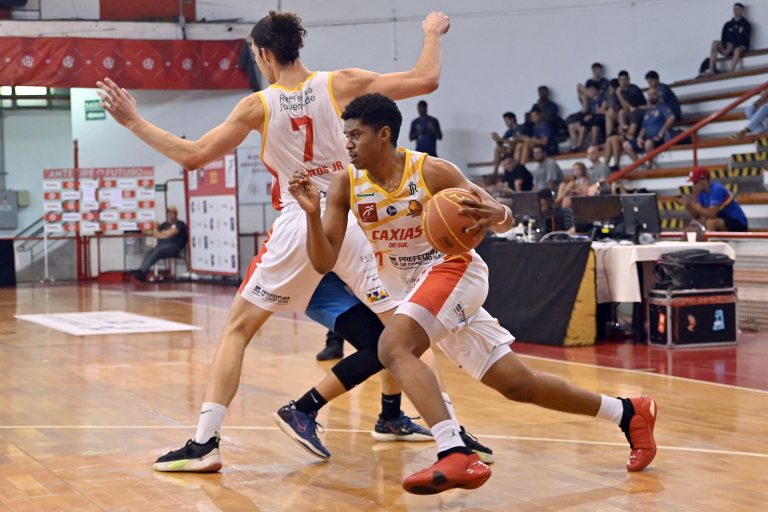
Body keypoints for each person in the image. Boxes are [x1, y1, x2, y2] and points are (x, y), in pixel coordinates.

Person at [97, 10, 453, 472]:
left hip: (301, 222)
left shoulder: (258, 106)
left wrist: (132, 121)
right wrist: (431, 32)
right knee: (404, 332)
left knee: (238, 329)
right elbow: (426, 79)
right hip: (354, 220)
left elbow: (192, 156)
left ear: (265, 54)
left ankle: (204, 443)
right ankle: (450, 435)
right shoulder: (340, 83)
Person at [289, 93, 658, 495]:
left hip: (455, 270)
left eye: (355, 135)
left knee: (392, 346)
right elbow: (323, 261)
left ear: (383, 135)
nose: (347, 144)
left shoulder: (431, 171)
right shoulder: (346, 185)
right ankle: (628, 412)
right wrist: (311, 215)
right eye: (345, 135)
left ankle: (454, 451)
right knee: (517, 384)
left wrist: (501, 214)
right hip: (417, 291)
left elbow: (502, 218)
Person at [622, 87, 676, 169]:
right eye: (650, 95)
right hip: (647, 138)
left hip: (658, 138)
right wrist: (639, 137)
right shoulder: (648, 111)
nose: (652, 96)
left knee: (648, 143)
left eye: (654, 94)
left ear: (658, 95)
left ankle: (650, 167)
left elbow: (671, 117)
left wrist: (662, 131)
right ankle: (641, 166)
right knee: (626, 144)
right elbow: (644, 127)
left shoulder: (662, 107)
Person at [680, 167, 748, 232]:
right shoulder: (701, 193)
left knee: (711, 222)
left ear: (705, 180)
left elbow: (711, 214)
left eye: (695, 182)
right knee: (695, 222)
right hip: (723, 220)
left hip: (738, 222)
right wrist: (688, 206)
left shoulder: (716, 189)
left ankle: (709, 240)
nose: (694, 186)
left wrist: (693, 205)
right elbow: (697, 215)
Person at [134, 205, 187, 281]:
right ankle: (142, 271)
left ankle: (143, 272)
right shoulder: (164, 225)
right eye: (168, 213)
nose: (170, 215)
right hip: (161, 247)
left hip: (174, 247)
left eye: (172, 213)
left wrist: (161, 234)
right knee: (149, 252)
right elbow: (155, 234)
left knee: (158, 250)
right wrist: (160, 232)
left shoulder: (180, 224)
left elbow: (171, 233)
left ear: (176, 214)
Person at [706, 3, 751, 75]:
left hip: (739, 47)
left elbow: (745, 40)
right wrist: (726, 46)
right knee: (715, 43)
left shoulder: (746, 24)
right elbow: (723, 37)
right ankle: (711, 69)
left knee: (738, 49)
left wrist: (733, 45)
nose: (735, 11)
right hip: (727, 48)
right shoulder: (728, 24)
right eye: (734, 9)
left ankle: (731, 71)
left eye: (737, 9)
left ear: (742, 11)